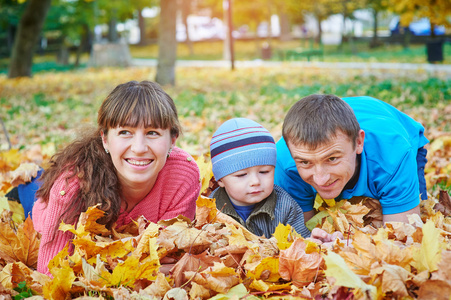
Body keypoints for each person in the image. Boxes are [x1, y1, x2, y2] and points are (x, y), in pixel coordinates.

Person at [32, 80, 201, 276]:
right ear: (105, 139)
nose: (139, 148)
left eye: (152, 133)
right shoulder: (73, 184)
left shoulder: (183, 175)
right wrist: (135, 269)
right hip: (45, 210)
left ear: (172, 140)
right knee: (32, 187)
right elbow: (50, 274)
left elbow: (168, 257)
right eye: (125, 132)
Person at [275, 95, 429, 225]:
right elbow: (301, 234)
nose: (321, 179)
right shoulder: (285, 162)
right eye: (305, 162)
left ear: (359, 142)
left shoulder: (393, 156)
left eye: (332, 158)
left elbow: (402, 239)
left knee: (417, 216)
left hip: (392, 136)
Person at [209, 118, 311, 238]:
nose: (255, 182)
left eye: (264, 172)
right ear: (220, 180)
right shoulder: (210, 209)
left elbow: (301, 244)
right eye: (242, 175)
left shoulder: (285, 206)